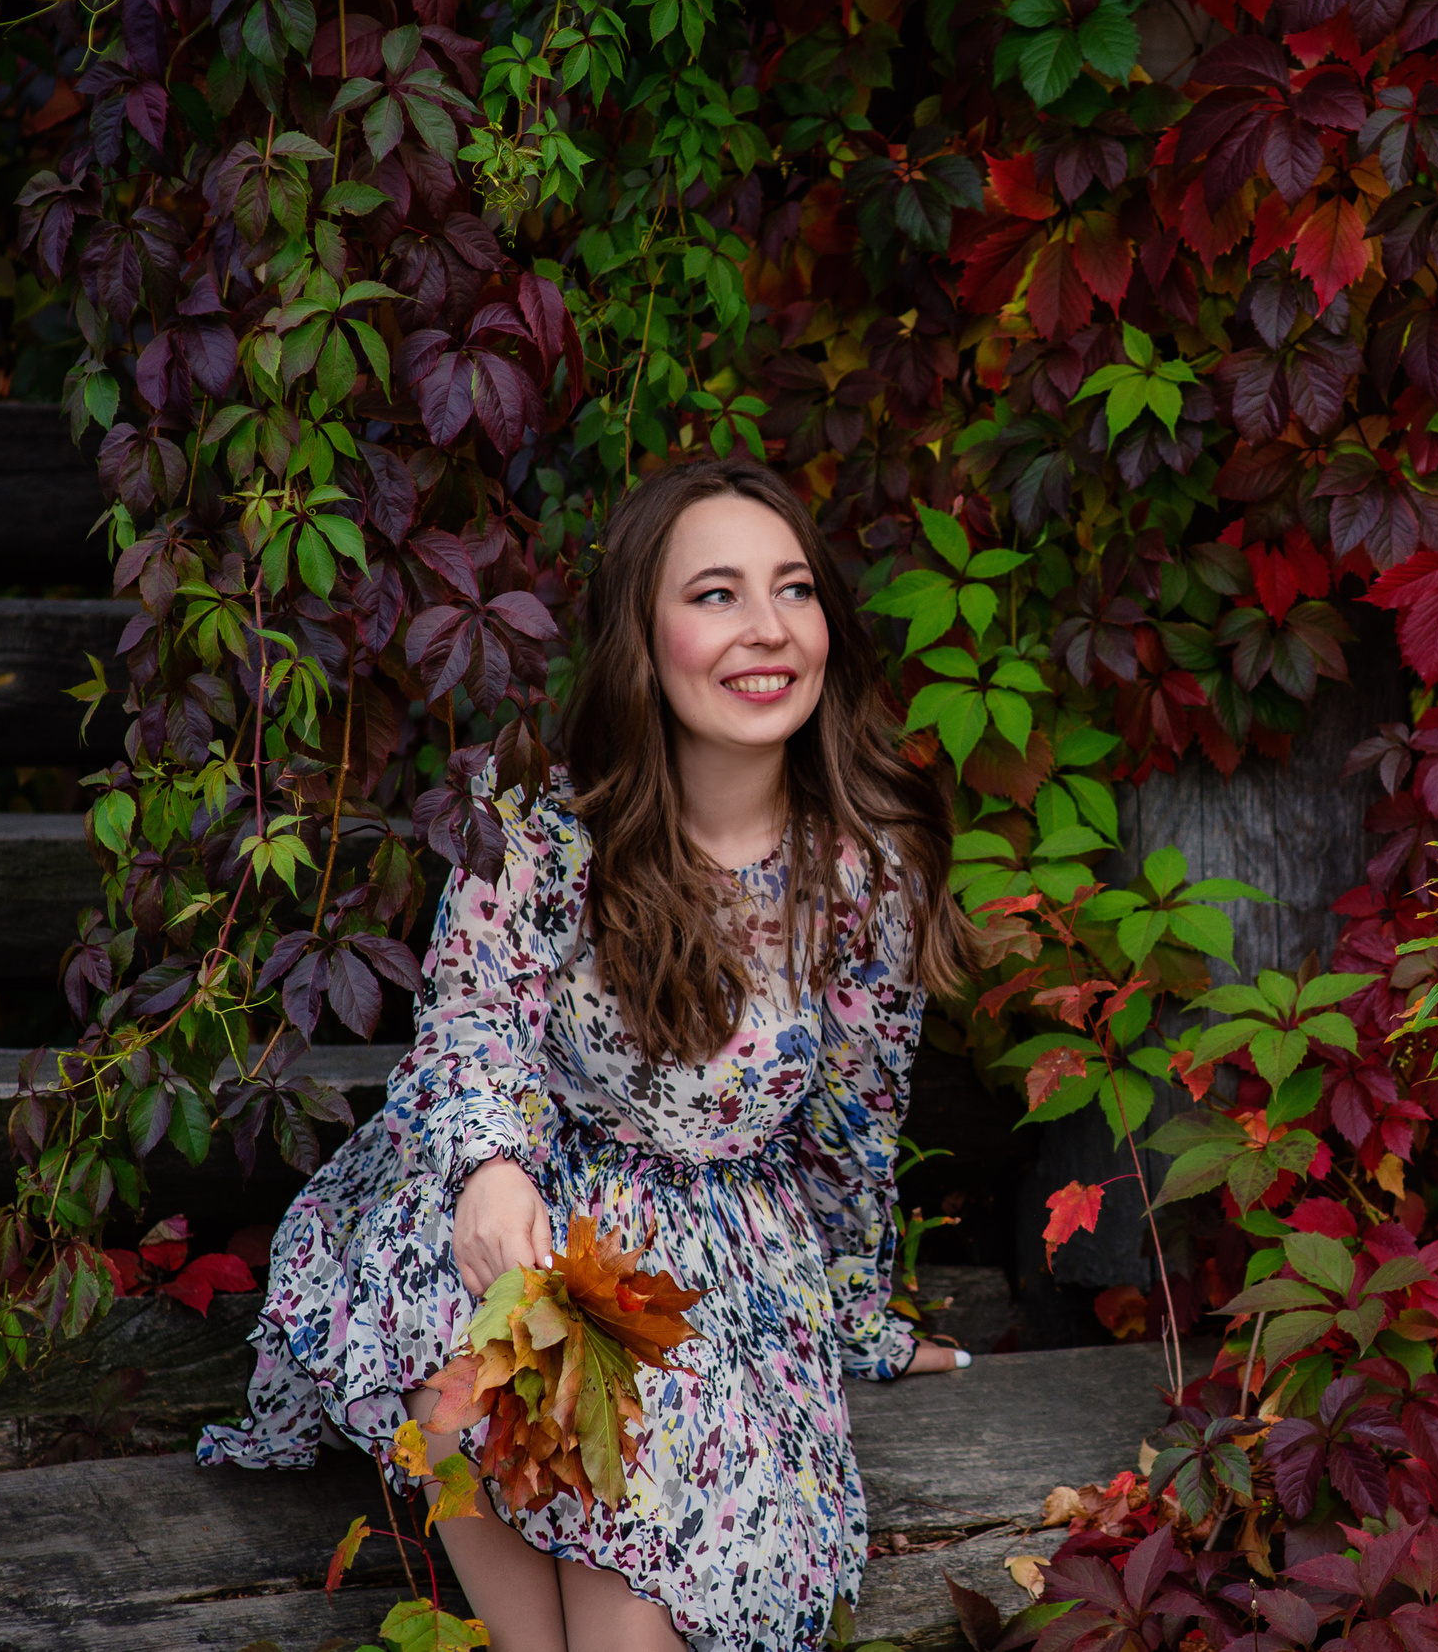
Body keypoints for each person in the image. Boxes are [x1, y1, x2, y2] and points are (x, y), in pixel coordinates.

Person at [201, 459, 982, 1651]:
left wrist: (858, 1319)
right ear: (642, 639)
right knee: (467, 1341)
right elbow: (472, 1016)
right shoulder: (541, 829)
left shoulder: (863, 871)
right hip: (521, 1213)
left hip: (713, 1272)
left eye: (794, 589)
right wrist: (488, 1165)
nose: (768, 627)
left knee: (636, 1598)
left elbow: (852, 1125)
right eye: (716, 593)